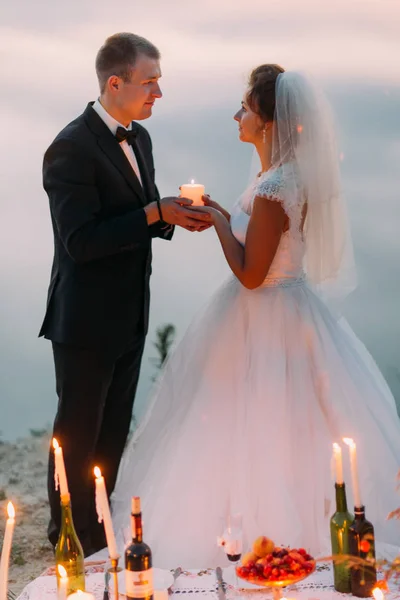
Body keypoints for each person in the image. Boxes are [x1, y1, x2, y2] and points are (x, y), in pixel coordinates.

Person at [111, 65, 400, 567]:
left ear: (268, 122)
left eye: (245, 107)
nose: (236, 115)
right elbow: (264, 236)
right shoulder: (278, 177)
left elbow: (251, 274)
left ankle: (268, 543)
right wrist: (226, 213)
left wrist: (222, 224)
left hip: (267, 313)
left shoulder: (275, 186)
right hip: (288, 308)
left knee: (255, 422)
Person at [39, 32, 211, 555]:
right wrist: (153, 212)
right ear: (115, 83)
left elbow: (138, 215)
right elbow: (82, 241)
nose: (158, 92)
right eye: (149, 82)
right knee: (76, 438)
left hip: (130, 316)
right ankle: (67, 543)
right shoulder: (69, 148)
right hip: (84, 323)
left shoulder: (140, 137)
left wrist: (174, 214)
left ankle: (100, 537)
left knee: (112, 435)